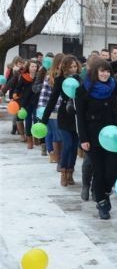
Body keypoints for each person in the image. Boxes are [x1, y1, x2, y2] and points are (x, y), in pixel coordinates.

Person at [75, 58, 117, 220]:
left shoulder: (112, 87)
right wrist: (84, 139)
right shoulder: (83, 90)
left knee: (112, 170)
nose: (105, 74)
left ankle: (103, 191)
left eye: (107, 71)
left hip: (112, 137)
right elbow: (80, 118)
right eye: (101, 71)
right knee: (99, 171)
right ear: (95, 72)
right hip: (93, 137)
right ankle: (102, 203)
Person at [41, 55, 82, 187]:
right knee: (68, 144)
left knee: (75, 146)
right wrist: (44, 120)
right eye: (70, 67)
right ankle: (63, 171)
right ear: (65, 67)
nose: (73, 69)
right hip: (64, 114)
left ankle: (70, 171)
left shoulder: (79, 79)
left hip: (77, 116)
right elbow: (52, 100)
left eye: (75, 66)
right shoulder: (60, 80)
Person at [37, 53, 65, 166]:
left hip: (64, 111)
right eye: (61, 63)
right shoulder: (50, 77)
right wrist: (42, 110)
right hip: (53, 110)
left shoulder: (68, 77)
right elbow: (44, 95)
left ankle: (58, 157)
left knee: (61, 135)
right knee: (56, 135)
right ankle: (57, 158)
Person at [13, 59, 39, 149]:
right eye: (32, 66)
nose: (34, 68)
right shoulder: (24, 76)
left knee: (36, 119)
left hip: (36, 101)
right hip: (26, 102)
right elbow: (18, 87)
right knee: (28, 121)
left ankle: (36, 137)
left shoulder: (39, 77)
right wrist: (15, 93)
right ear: (28, 67)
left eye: (35, 66)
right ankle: (29, 140)